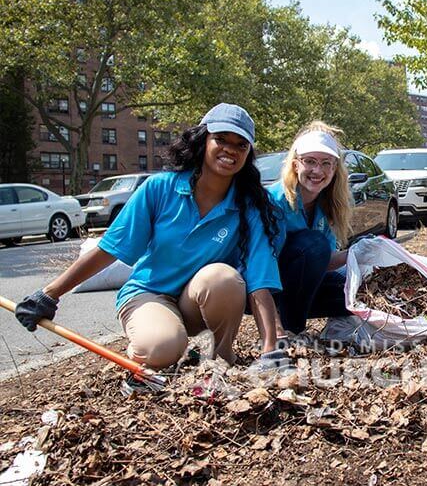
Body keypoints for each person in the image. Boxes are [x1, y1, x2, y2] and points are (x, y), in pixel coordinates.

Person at [13, 103, 287, 388]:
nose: (230, 150)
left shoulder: (249, 206)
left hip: (197, 301)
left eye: (240, 145)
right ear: (202, 140)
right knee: (161, 348)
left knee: (224, 278)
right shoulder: (160, 188)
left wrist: (272, 347)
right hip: (149, 294)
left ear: (248, 153)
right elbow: (110, 249)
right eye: (221, 139)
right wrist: (50, 294)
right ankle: (152, 353)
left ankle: (219, 358)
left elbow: (259, 275)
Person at [268, 121, 352, 341]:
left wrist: (356, 253)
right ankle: (292, 329)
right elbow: (262, 264)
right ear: (296, 165)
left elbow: (323, 260)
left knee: (355, 289)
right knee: (313, 243)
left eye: (326, 163)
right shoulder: (275, 201)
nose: (317, 170)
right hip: (268, 289)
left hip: (301, 287)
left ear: (334, 169)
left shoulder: (328, 204)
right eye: (310, 162)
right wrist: (274, 329)